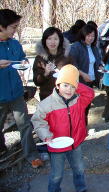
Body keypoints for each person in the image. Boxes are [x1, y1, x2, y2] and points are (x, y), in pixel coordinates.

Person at [31, 64, 95, 192]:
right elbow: (38, 121)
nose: (69, 90)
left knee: (79, 169)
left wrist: (75, 82)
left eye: (72, 87)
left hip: (75, 143)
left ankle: (81, 189)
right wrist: (45, 135)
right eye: (65, 85)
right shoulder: (46, 104)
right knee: (57, 174)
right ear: (57, 85)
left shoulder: (78, 101)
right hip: (56, 145)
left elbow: (90, 93)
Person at [0, 9, 43, 168]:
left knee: (24, 124)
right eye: (13, 27)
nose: (15, 30)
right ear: (1, 27)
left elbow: (21, 58)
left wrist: (24, 62)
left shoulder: (14, 43)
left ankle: (31, 155)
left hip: (16, 93)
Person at [69, 24, 103, 124]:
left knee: (87, 105)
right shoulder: (76, 47)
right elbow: (72, 64)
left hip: (90, 81)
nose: (91, 38)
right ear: (83, 35)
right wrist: (83, 74)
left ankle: (83, 127)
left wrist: (100, 66)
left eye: (93, 36)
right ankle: (78, 128)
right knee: (78, 107)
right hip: (79, 82)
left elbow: (97, 61)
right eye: (88, 35)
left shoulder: (94, 48)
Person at [33, 27, 72, 101]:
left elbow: (74, 73)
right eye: (49, 39)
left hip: (64, 96)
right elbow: (36, 82)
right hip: (47, 97)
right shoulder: (40, 58)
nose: (52, 42)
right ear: (45, 40)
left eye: (55, 39)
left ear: (60, 40)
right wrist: (45, 73)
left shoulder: (67, 56)